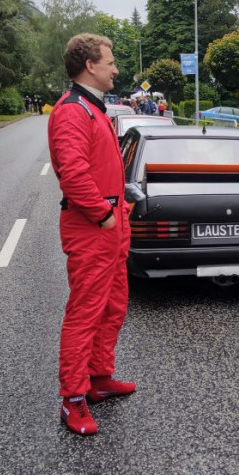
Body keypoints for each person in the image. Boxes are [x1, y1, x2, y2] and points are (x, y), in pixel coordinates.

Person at [48, 33, 135, 437]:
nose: (116, 68)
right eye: (111, 61)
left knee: (113, 306)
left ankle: (99, 379)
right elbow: (73, 173)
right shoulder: (71, 111)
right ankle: (73, 398)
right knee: (85, 313)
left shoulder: (92, 108)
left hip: (112, 225)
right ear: (90, 66)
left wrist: (119, 210)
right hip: (92, 228)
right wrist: (103, 214)